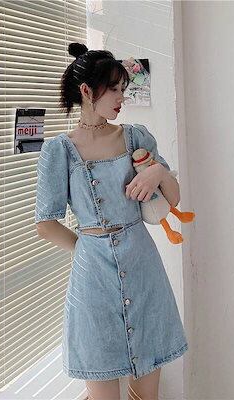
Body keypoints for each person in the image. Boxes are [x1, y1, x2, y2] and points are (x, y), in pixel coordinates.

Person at [35, 42, 188, 400]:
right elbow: (45, 223)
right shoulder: (59, 150)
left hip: (142, 264)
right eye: (114, 89)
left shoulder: (135, 136)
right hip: (92, 278)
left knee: (146, 395)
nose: (122, 97)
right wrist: (88, 249)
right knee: (101, 379)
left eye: (123, 88)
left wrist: (158, 172)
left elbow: (174, 197)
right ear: (87, 91)